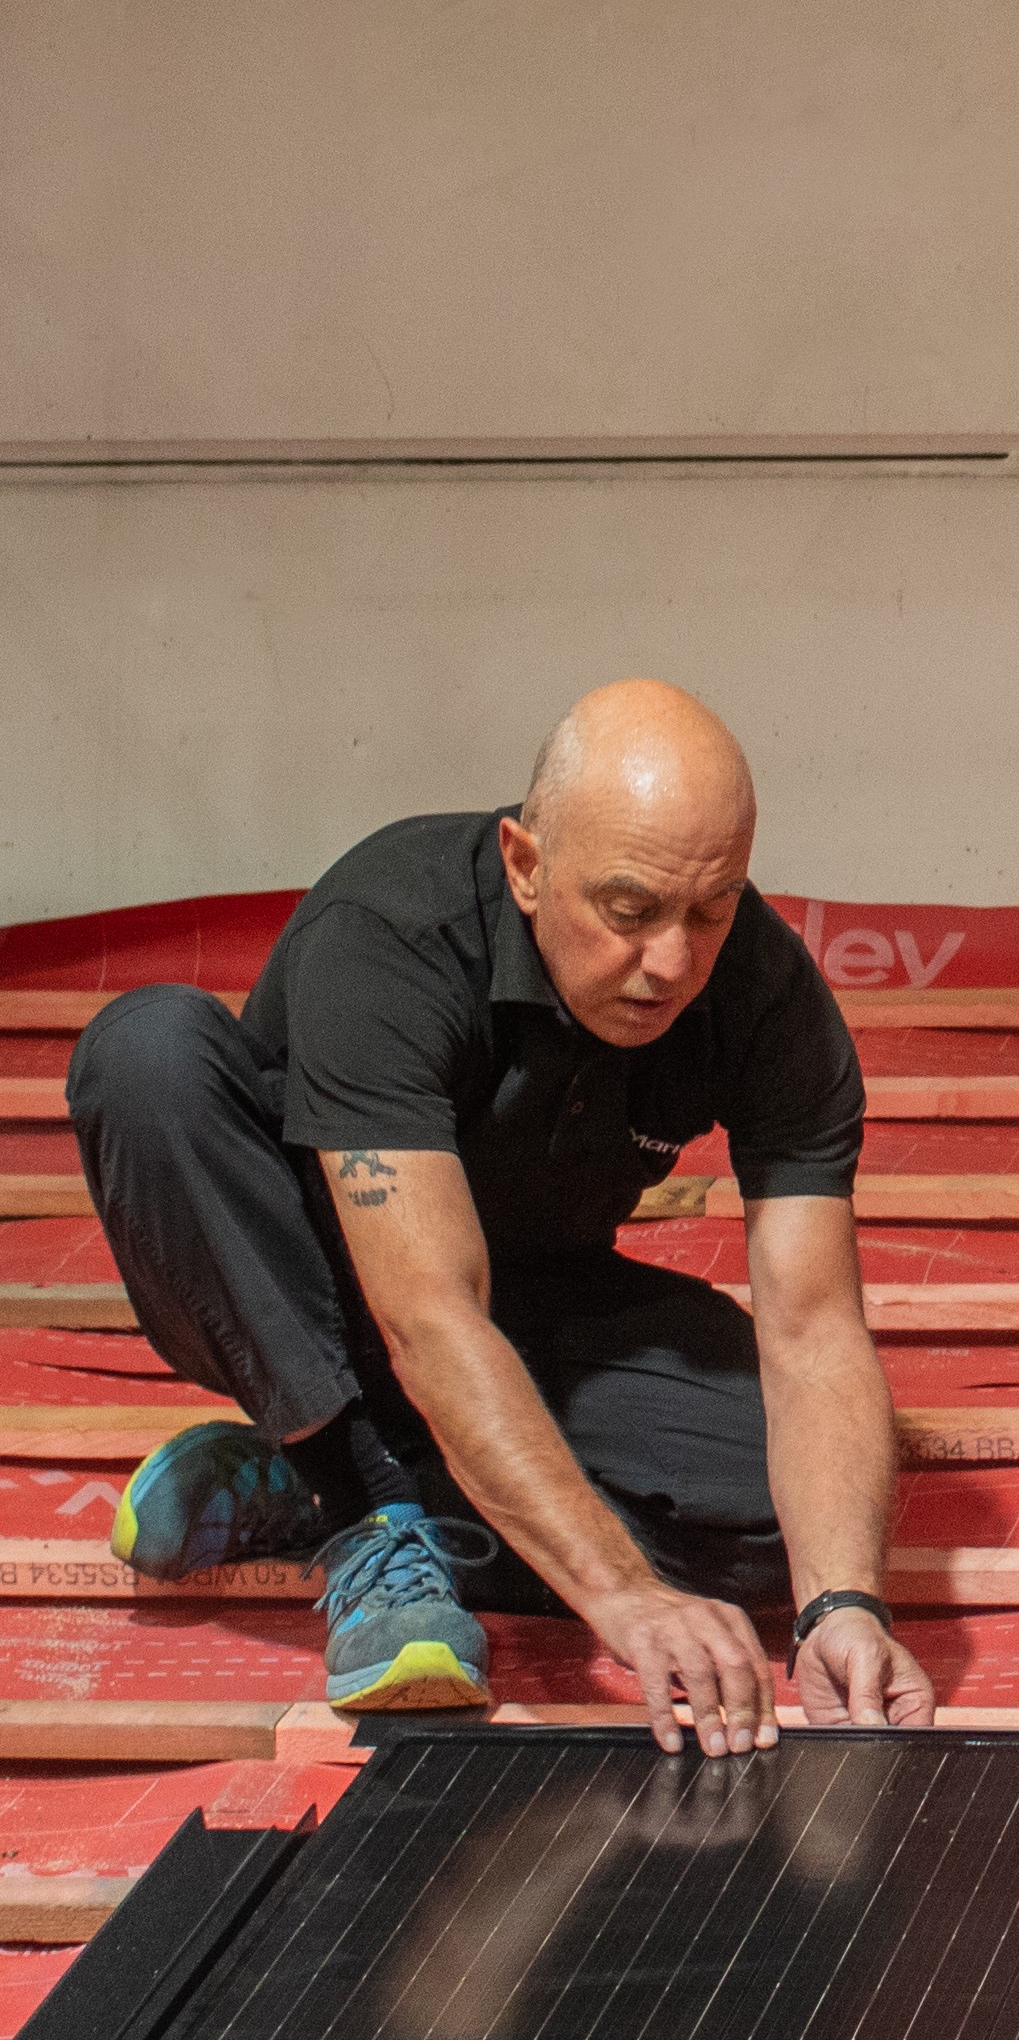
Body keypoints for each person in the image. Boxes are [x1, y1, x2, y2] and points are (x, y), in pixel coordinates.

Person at [69, 679, 935, 1756]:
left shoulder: (761, 989)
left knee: (784, 1511)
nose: (669, 961)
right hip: (309, 1290)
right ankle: (360, 1500)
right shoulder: (394, 931)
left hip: (534, 1303)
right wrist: (621, 1593)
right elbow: (429, 1313)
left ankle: (299, 1477)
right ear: (526, 865)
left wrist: (839, 1606)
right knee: (148, 1052)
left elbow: (813, 1330)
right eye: (626, 911)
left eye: (708, 911)